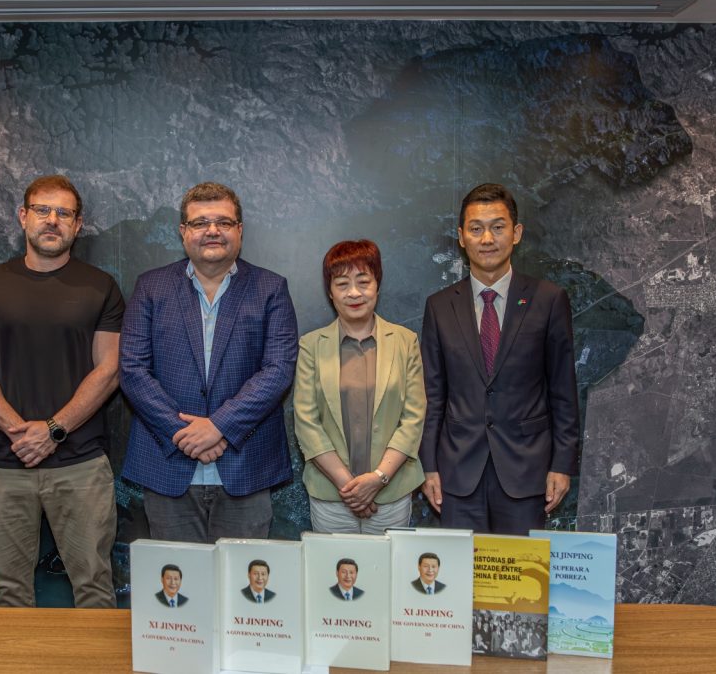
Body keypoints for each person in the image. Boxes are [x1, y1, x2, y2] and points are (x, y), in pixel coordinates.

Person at [0, 175, 124, 608]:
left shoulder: (101, 286)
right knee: (9, 593)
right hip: (4, 462)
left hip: (81, 464)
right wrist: (19, 430)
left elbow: (109, 370)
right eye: (43, 210)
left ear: (77, 224)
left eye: (64, 213)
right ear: (23, 216)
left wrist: (52, 430)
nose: (52, 220)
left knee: (94, 588)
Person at [120, 181, 298, 543]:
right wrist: (184, 434)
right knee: (177, 579)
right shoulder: (151, 287)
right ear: (183, 231)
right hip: (169, 466)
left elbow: (278, 370)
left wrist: (219, 426)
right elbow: (133, 370)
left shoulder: (270, 288)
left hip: (246, 468)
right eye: (200, 222)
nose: (212, 230)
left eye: (224, 222)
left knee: (244, 579)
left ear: (239, 230)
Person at [419, 183, 579, 534]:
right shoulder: (439, 306)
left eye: (498, 227)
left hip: (527, 472)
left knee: (520, 571)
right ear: (461, 237)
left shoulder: (549, 300)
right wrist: (428, 466)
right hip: (457, 475)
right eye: (476, 229)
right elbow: (433, 395)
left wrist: (562, 464)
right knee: (460, 569)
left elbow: (563, 391)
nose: (487, 238)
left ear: (516, 233)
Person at [294, 239, 425, 533]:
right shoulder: (311, 345)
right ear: (330, 291)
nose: (354, 293)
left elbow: (413, 418)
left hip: (391, 494)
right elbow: (306, 422)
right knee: (332, 565)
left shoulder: (405, 342)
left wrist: (378, 479)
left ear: (377, 285)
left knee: (389, 564)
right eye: (342, 284)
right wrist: (350, 488)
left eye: (363, 282)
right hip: (332, 496)